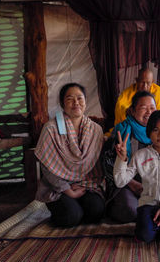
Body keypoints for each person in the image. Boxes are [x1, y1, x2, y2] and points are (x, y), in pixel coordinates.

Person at [35, 83, 105, 227]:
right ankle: (71, 208)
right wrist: (67, 190)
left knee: (97, 211)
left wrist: (84, 187)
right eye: (70, 99)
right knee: (70, 217)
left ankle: (78, 206)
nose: (76, 103)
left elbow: (98, 163)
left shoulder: (96, 130)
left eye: (80, 98)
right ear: (62, 103)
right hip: (58, 187)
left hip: (86, 184)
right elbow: (47, 167)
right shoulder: (51, 129)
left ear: (86, 101)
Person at [114, 110, 160, 242]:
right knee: (144, 237)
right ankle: (155, 227)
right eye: (155, 130)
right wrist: (122, 159)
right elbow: (120, 182)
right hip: (148, 203)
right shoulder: (140, 155)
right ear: (149, 131)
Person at [104, 91, 156, 223]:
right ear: (132, 111)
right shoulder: (121, 131)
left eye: (152, 108)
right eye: (143, 108)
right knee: (130, 210)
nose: (148, 112)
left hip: (153, 185)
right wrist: (132, 184)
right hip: (125, 184)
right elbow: (108, 163)